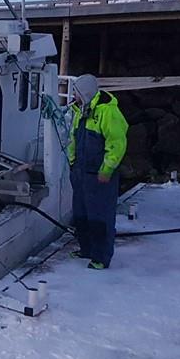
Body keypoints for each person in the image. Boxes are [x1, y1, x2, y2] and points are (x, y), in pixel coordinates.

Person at [67, 73, 128, 270]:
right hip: (81, 173)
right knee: (81, 215)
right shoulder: (80, 111)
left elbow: (117, 144)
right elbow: (73, 139)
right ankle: (86, 249)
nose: (73, 97)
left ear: (84, 93)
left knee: (100, 217)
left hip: (100, 176)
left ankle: (101, 257)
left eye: (76, 93)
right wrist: (72, 162)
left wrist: (107, 169)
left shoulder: (108, 113)